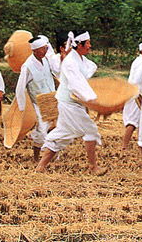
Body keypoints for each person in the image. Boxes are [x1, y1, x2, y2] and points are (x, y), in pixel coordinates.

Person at [36, 31, 107, 176]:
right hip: (69, 103)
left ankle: (40, 167)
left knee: (64, 133)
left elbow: (90, 68)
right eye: (87, 43)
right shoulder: (70, 62)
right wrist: (94, 101)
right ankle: (93, 168)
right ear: (79, 45)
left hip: (71, 103)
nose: (90, 46)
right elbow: (76, 85)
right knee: (90, 130)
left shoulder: (79, 59)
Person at [15, 35, 57, 162]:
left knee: (55, 129)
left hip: (51, 101)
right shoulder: (27, 66)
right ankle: (39, 158)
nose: (45, 51)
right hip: (39, 104)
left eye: (46, 48)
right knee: (42, 130)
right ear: (35, 50)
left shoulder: (46, 61)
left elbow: (56, 73)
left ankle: (53, 157)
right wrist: (22, 108)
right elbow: (20, 87)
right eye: (43, 49)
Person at [121, 41, 142, 151]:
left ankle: (140, 145)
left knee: (141, 120)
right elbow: (136, 81)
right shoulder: (140, 63)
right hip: (135, 95)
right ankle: (124, 146)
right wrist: (139, 95)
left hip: (136, 93)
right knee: (132, 122)